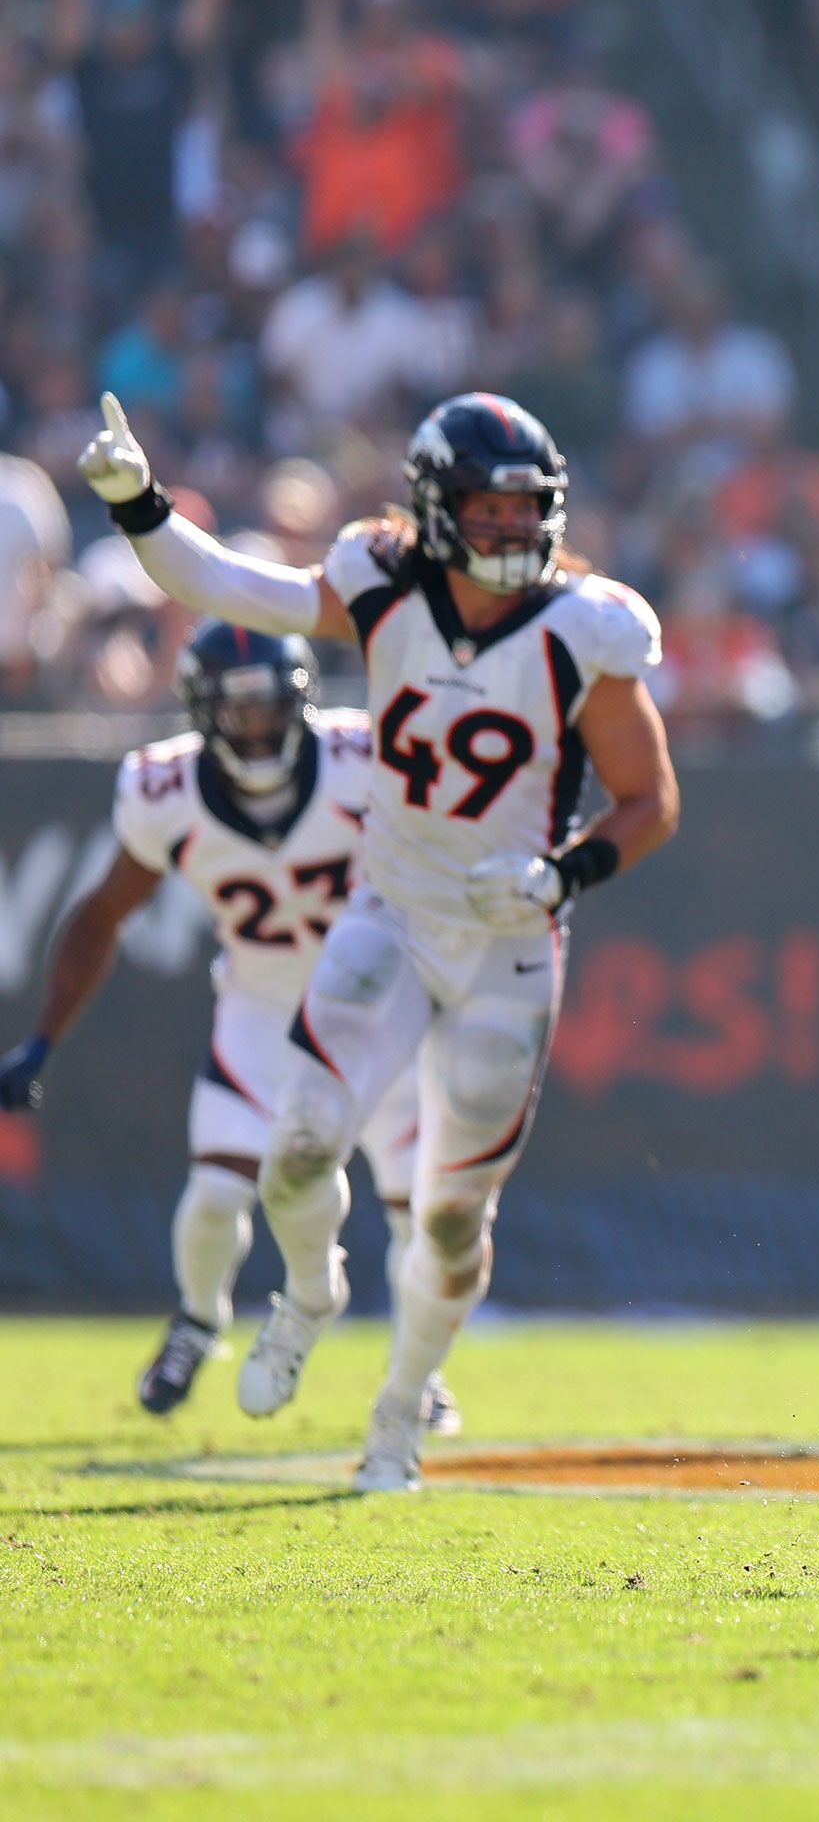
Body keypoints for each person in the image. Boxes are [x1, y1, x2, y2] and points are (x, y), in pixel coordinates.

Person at [76, 390, 680, 1489]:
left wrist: (560, 870)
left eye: (524, 509)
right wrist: (141, 505)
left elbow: (650, 801)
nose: (510, 530)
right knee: (296, 1148)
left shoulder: (586, 628)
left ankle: (400, 1410)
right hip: (391, 912)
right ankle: (309, 1294)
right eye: (487, 509)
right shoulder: (380, 581)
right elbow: (230, 587)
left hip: (508, 942)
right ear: (437, 508)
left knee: (452, 1218)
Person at [0, 621, 447, 1430]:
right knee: (214, 1191)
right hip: (264, 1009)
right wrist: (45, 1036)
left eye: (271, 705)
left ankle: (421, 1363)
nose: (257, 725)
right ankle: (200, 1320)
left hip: (377, 1010)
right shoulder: (162, 791)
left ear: (303, 698)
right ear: (202, 713)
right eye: (237, 710)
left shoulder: (365, 760)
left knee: (418, 1205)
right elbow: (101, 915)